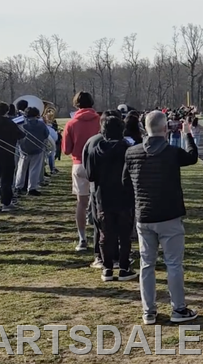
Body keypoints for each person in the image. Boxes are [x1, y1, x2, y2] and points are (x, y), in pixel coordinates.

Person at [123, 110, 199, 325]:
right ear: (166, 129)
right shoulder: (172, 152)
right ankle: (178, 308)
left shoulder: (132, 153)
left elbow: (125, 182)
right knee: (173, 264)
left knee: (146, 264)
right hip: (169, 215)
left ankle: (148, 311)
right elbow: (192, 157)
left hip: (144, 215)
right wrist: (187, 134)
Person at [86, 114, 137, 282]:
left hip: (103, 195)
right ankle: (124, 267)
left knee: (105, 233)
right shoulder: (127, 149)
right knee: (124, 233)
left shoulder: (96, 150)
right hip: (124, 195)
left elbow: (91, 175)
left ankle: (107, 268)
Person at [63, 92, 101, 251]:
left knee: (81, 203)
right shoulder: (100, 120)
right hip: (99, 163)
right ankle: (102, 237)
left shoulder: (71, 123)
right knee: (101, 203)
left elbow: (66, 150)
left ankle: (82, 238)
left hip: (79, 164)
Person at [0, 100, 25, 213]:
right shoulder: (10, 122)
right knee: (6, 179)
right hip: (7, 154)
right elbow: (21, 135)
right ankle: (5, 203)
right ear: (6, 111)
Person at [15, 107, 49, 197]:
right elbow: (46, 135)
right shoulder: (41, 124)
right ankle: (32, 188)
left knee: (21, 169)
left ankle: (18, 187)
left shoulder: (21, 124)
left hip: (24, 149)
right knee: (35, 169)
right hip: (38, 149)